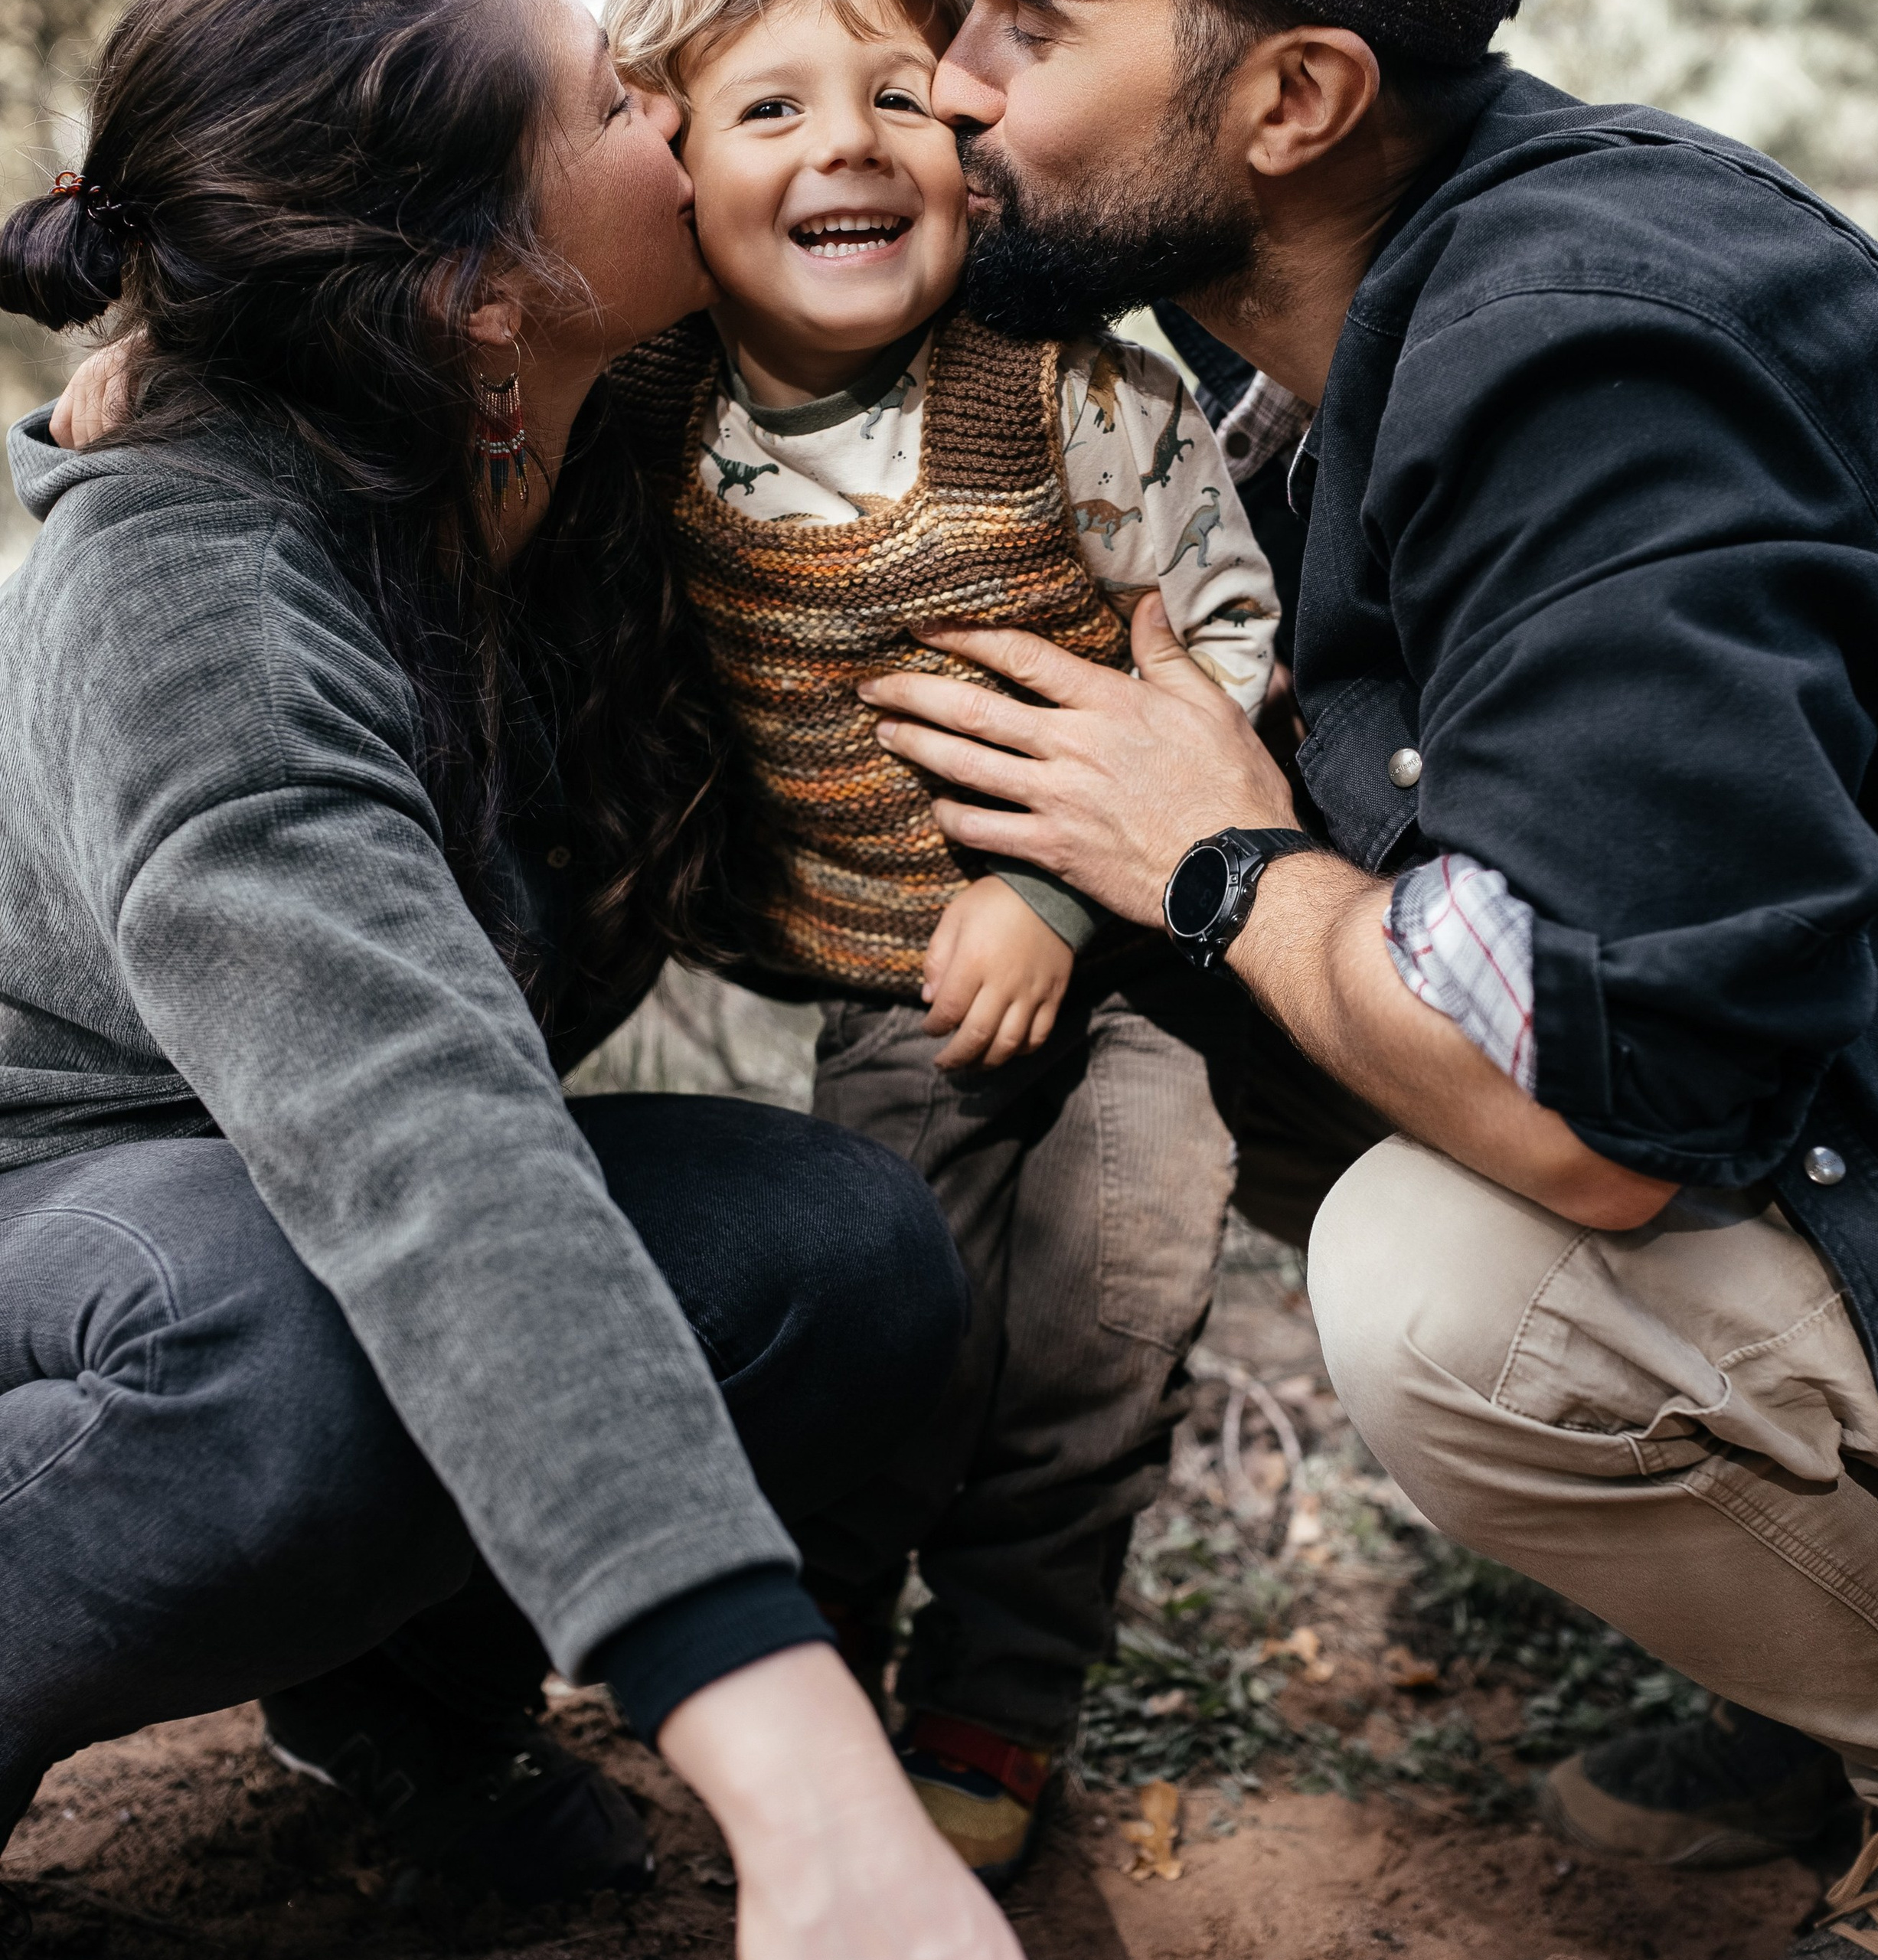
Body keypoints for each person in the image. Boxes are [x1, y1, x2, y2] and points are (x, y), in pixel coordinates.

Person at [850, 0, 1878, 1953]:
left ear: (1294, 99)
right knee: (1236, 1000)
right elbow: (756, 229)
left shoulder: (1586, 355)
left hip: (1864, 1096)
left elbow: (1603, 1116)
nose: (949, 90)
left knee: (1438, 1283)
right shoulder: (1228, 296)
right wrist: (196, 310)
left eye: (1027, 31)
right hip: (1828, 1029)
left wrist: (1213, 859)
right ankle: (1831, 1658)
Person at [0, 0, 1028, 1952]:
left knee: (834, 1246)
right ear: (480, 290)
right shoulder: (190, 588)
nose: (684, 96)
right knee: (276, 1327)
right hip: (62, 1211)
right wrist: (805, 1782)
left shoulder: (608, 412)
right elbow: (418, 1127)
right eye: (623, 95)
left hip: (283, 1187)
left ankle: (394, 1706)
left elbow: (961, 157)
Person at [595, 0, 1278, 1886]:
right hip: (889, 976)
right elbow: (405, 377)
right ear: (667, 168)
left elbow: (1224, 639)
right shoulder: (643, 396)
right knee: (895, 1325)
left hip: (1150, 959)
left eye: (899, 94)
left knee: (1100, 1329)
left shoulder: (1071, 390)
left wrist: (1064, 885)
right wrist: (156, 364)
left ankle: (1003, 1687)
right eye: (771, 106)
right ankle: (800, 1672)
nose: (851, 142)